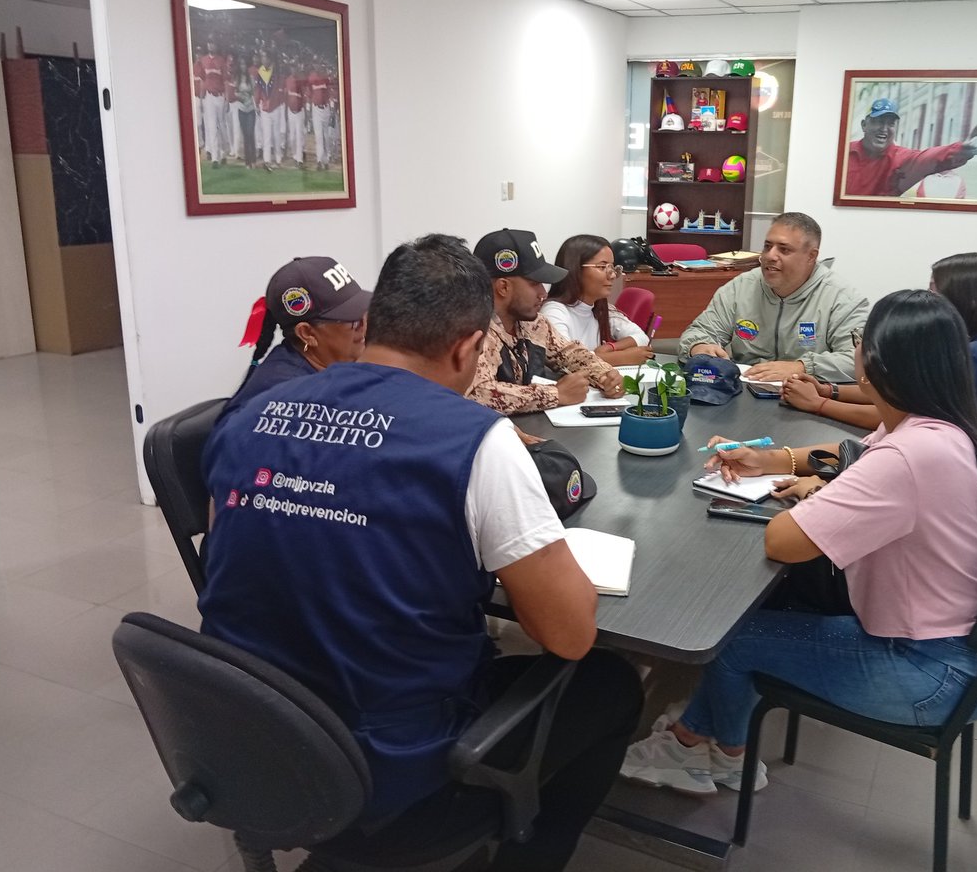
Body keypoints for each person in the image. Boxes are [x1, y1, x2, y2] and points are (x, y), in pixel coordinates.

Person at [200, 234, 642, 869]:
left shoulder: (249, 414)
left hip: (247, 737)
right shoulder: (476, 441)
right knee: (609, 682)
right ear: (467, 347)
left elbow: (236, 557)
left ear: (372, 324)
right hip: (392, 772)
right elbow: (569, 636)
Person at [620, 289, 977, 795]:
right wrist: (770, 460)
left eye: (859, 341)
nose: (856, 350)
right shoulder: (940, 427)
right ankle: (702, 742)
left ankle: (709, 753)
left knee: (735, 638)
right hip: (949, 649)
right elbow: (851, 452)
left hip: (928, 672)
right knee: (773, 607)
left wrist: (821, 496)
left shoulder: (909, 457)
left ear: (878, 365)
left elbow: (782, 541)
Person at [782, 253, 977, 436]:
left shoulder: (975, 355)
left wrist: (818, 404)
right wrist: (829, 391)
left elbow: (896, 417)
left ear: (967, 301)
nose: (926, 300)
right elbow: (895, 393)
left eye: (934, 292)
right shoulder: (974, 346)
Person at [678, 212, 868, 382]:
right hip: (745, 391)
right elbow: (699, 331)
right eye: (767, 246)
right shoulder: (740, 287)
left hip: (809, 396)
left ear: (811, 256)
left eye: (784, 250)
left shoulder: (842, 298)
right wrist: (699, 346)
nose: (770, 255)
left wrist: (802, 367)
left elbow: (860, 360)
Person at [467, 228, 625, 414]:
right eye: (535, 283)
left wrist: (605, 375)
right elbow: (480, 394)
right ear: (503, 287)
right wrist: (555, 394)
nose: (543, 293)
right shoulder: (473, 330)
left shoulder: (533, 323)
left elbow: (570, 354)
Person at [218, 256, 370, 427]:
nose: (365, 326)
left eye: (365, 315)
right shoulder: (289, 401)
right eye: (354, 322)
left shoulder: (322, 369)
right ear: (307, 334)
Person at [540, 234, 655, 368]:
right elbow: (568, 360)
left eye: (612, 267)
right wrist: (623, 357)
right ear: (576, 269)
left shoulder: (601, 308)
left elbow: (642, 338)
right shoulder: (554, 311)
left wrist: (610, 347)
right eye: (602, 267)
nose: (612, 275)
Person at [845, 98, 977, 198]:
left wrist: (965, 148)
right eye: (879, 121)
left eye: (890, 123)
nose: (884, 129)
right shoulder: (843, 154)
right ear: (864, 125)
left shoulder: (900, 159)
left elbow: (929, 157)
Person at [195, 36, 228, 168]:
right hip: (208, 96)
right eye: (209, 43)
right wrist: (201, 98)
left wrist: (226, 99)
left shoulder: (221, 61)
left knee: (222, 126)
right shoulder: (203, 60)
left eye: (212, 43)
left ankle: (224, 152)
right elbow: (202, 81)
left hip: (220, 96)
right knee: (212, 126)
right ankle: (215, 158)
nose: (210, 45)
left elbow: (225, 81)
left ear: (216, 45)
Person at [233, 58, 258, 170]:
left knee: (250, 133)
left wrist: (254, 104)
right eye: (241, 64)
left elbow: (254, 93)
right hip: (241, 109)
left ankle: (253, 159)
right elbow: (235, 92)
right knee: (245, 135)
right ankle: (247, 161)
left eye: (244, 64)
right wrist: (239, 95)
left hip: (250, 109)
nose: (243, 66)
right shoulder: (237, 79)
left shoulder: (251, 78)